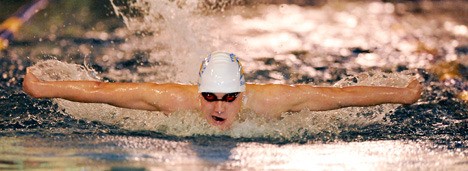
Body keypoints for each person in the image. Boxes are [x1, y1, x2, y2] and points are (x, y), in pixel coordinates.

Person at [23, 52, 423, 130]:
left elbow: (340, 96)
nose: (218, 107)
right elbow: (103, 91)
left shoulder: (274, 101)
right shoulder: (172, 99)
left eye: (228, 97)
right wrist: (43, 89)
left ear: (242, 95)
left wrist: (400, 95)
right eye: (210, 97)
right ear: (198, 94)